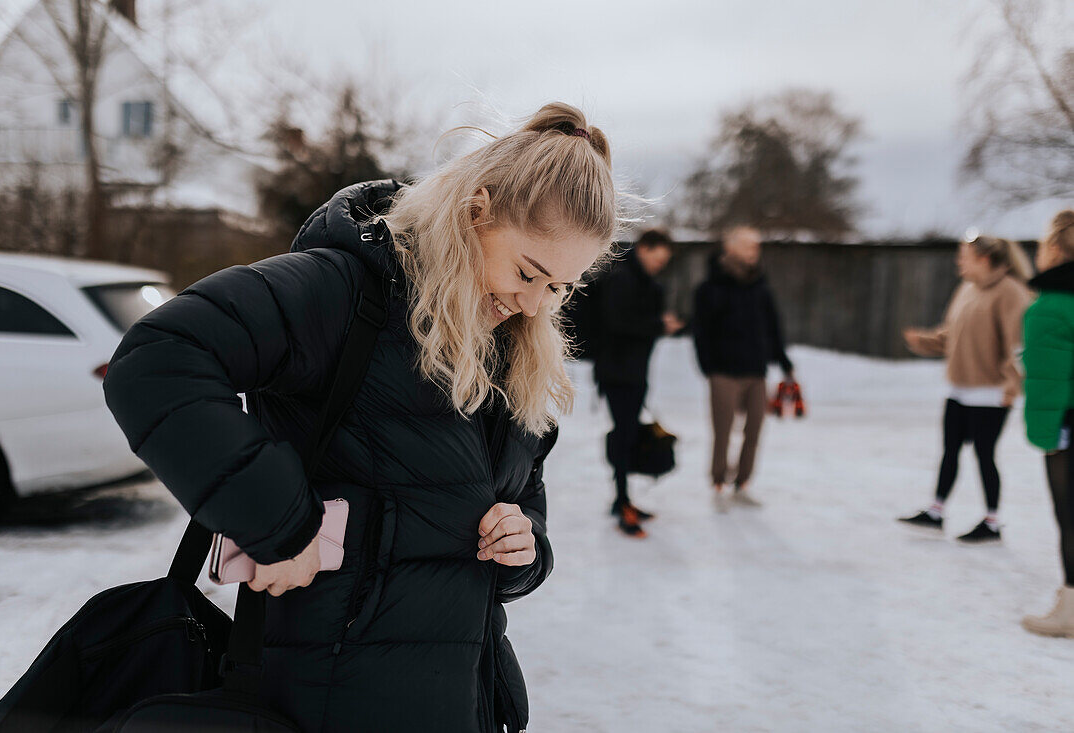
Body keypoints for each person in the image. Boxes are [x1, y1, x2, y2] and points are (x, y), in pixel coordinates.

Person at [102, 103, 619, 733]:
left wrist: (525, 545)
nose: (535, 304)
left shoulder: (514, 349)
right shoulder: (344, 291)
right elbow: (159, 360)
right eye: (528, 273)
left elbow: (521, 498)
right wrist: (275, 523)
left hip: (464, 700)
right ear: (476, 211)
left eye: (561, 288)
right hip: (326, 700)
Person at [898, 234, 1034, 542]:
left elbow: (1018, 345)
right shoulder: (967, 289)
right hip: (958, 388)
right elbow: (951, 334)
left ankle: (992, 521)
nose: (959, 262)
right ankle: (936, 510)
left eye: (964, 256)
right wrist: (925, 342)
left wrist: (1013, 386)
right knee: (950, 451)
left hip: (991, 392)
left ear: (984, 259)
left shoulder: (1011, 293)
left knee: (985, 454)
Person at [692, 225, 793, 513]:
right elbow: (701, 332)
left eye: (757, 246)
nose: (754, 252)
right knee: (722, 431)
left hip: (756, 371)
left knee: (755, 430)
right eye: (749, 246)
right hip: (723, 371)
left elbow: (773, 329)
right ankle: (719, 485)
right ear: (731, 247)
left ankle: (743, 484)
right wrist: (708, 367)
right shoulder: (710, 288)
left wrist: (784, 363)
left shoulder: (761, 288)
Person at [593, 228, 683, 538]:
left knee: (627, 432)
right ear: (644, 249)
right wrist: (659, 325)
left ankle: (623, 499)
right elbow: (618, 323)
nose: (660, 265)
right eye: (658, 259)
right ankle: (621, 502)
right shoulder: (622, 277)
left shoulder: (643, 281)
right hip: (617, 372)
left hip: (633, 372)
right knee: (624, 434)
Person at [1021, 210, 1074, 637]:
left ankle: (1070, 607)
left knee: (1069, 514)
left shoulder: (1050, 305)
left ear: (1054, 250)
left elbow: (1044, 379)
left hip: (1067, 422)